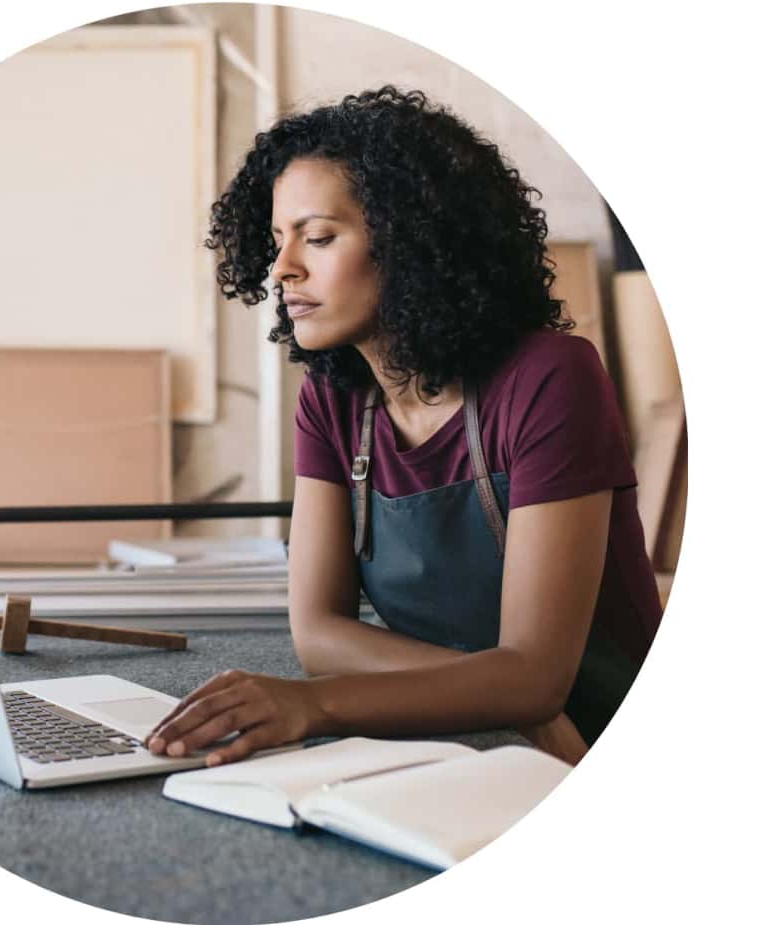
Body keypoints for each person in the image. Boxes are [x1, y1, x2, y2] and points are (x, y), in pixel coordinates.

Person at [146, 86, 663, 767]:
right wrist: (499, 696)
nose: (282, 269)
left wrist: (316, 702)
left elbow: (539, 672)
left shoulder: (551, 378)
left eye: (320, 237)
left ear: (414, 241)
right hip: (478, 736)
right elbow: (318, 634)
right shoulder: (331, 401)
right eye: (277, 241)